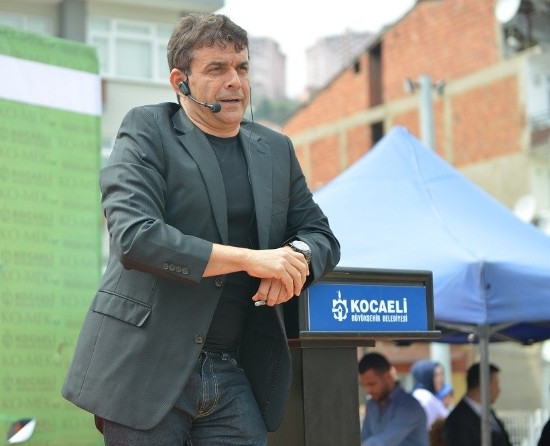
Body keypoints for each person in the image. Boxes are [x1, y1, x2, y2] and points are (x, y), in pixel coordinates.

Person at [61, 12, 341, 446]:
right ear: (181, 81)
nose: (235, 82)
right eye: (217, 69)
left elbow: (320, 235)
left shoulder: (276, 149)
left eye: (242, 68)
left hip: (233, 369)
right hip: (145, 365)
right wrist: (252, 259)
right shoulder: (147, 129)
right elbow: (136, 237)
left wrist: (295, 259)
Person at [359, 352, 428, 446]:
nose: (368, 390)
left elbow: (385, 441)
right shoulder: (372, 405)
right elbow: (364, 438)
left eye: (372, 384)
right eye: (364, 385)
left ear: (388, 376)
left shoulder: (410, 407)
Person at [444, 362, 512, 446]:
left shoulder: (489, 412)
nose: (499, 390)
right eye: (495, 385)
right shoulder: (457, 420)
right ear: (483, 385)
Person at [410, 359, 450, 430]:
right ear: (426, 376)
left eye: (442, 374)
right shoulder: (425, 397)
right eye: (436, 375)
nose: (441, 379)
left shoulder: (420, 395)